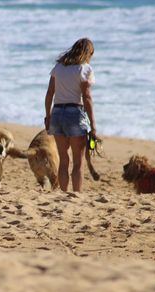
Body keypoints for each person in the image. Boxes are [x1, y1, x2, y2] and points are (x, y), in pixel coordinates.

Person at [44, 37, 97, 192]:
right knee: (78, 162)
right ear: (88, 53)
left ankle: (63, 193)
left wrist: (48, 117)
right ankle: (76, 196)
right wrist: (93, 125)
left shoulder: (58, 67)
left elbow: (49, 95)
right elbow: (87, 97)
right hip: (75, 114)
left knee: (63, 160)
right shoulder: (85, 69)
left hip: (57, 113)